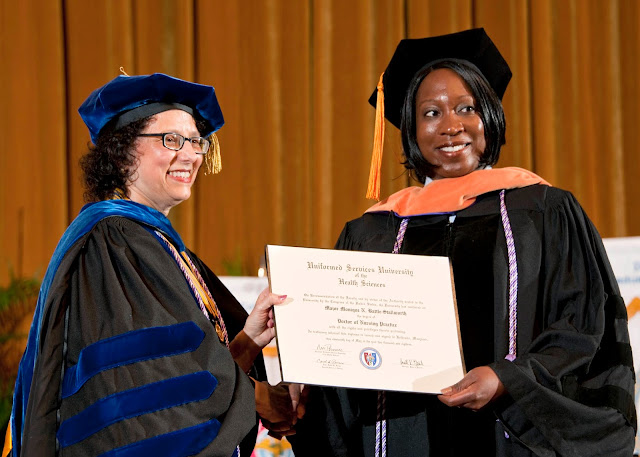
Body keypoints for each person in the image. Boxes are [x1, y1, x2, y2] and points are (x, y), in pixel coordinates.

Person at [289, 28, 636, 456]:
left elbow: (583, 325)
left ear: (488, 116)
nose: (451, 126)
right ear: (412, 130)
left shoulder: (545, 211)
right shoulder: (370, 232)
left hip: (512, 438)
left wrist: (508, 377)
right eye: (431, 113)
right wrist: (306, 389)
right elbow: (342, 359)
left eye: (466, 108)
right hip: (401, 439)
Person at [6, 72, 294, 457]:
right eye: (171, 139)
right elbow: (140, 394)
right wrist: (259, 398)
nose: (191, 155)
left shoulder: (153, 241)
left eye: (196, 141)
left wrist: (248, 340)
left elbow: (181, 372)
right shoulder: (115, 241)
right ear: (123, 150)